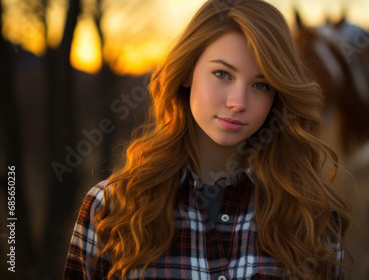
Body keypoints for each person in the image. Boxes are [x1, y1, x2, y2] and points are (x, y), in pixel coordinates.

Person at [63, 0, 351, 279]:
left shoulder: (311, 218)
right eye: (222, 74)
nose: (238, 102)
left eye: (261, 85)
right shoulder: (112, 207)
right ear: (188, 72)